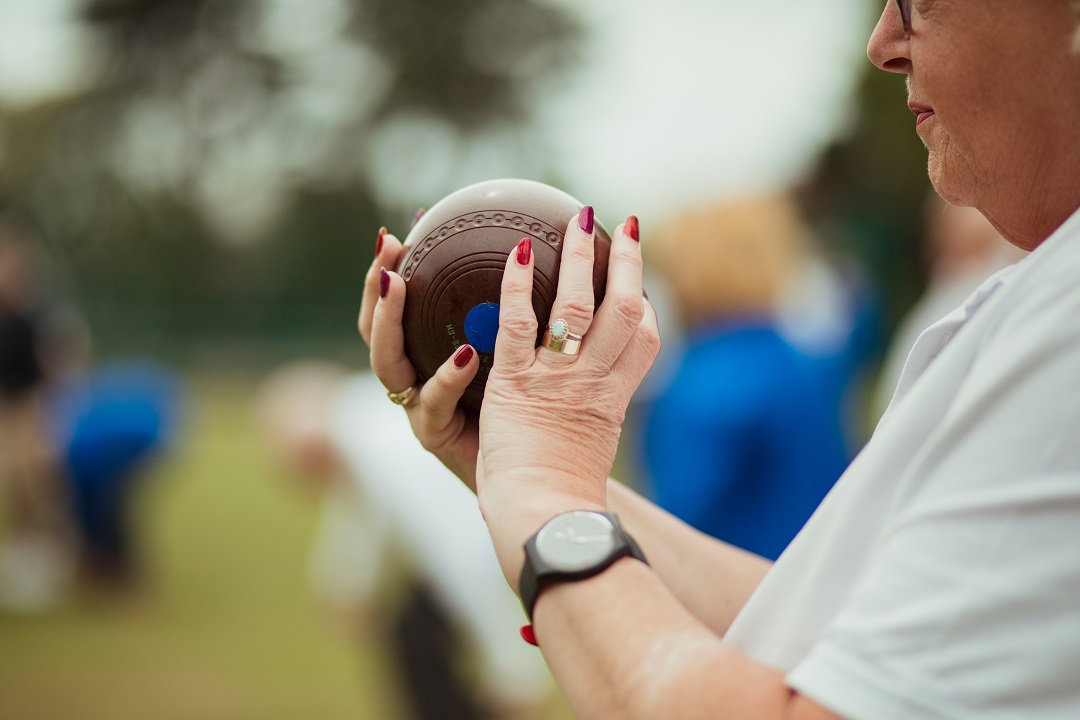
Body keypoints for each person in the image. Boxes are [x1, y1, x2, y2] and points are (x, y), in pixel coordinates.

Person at [359, 3, 1080, 718]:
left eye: (922, 1)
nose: (883, 41)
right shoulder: (833, 349)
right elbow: (817, 622)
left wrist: (550, 501)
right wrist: (509, 462)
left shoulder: (707, 386)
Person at [256, 364, 553, 720]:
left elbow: (459, 554)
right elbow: (363, 516)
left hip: (503, 542)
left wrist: (514, 675)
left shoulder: (377, 447)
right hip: (487, 540)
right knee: (412, 627)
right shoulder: (361, 421)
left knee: (419, 636)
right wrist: (348, 586)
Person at [640, 194, 849, 560]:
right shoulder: (804, 362)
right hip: (818, 573)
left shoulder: (704, 383)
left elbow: (677, 520)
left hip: (737, 598)